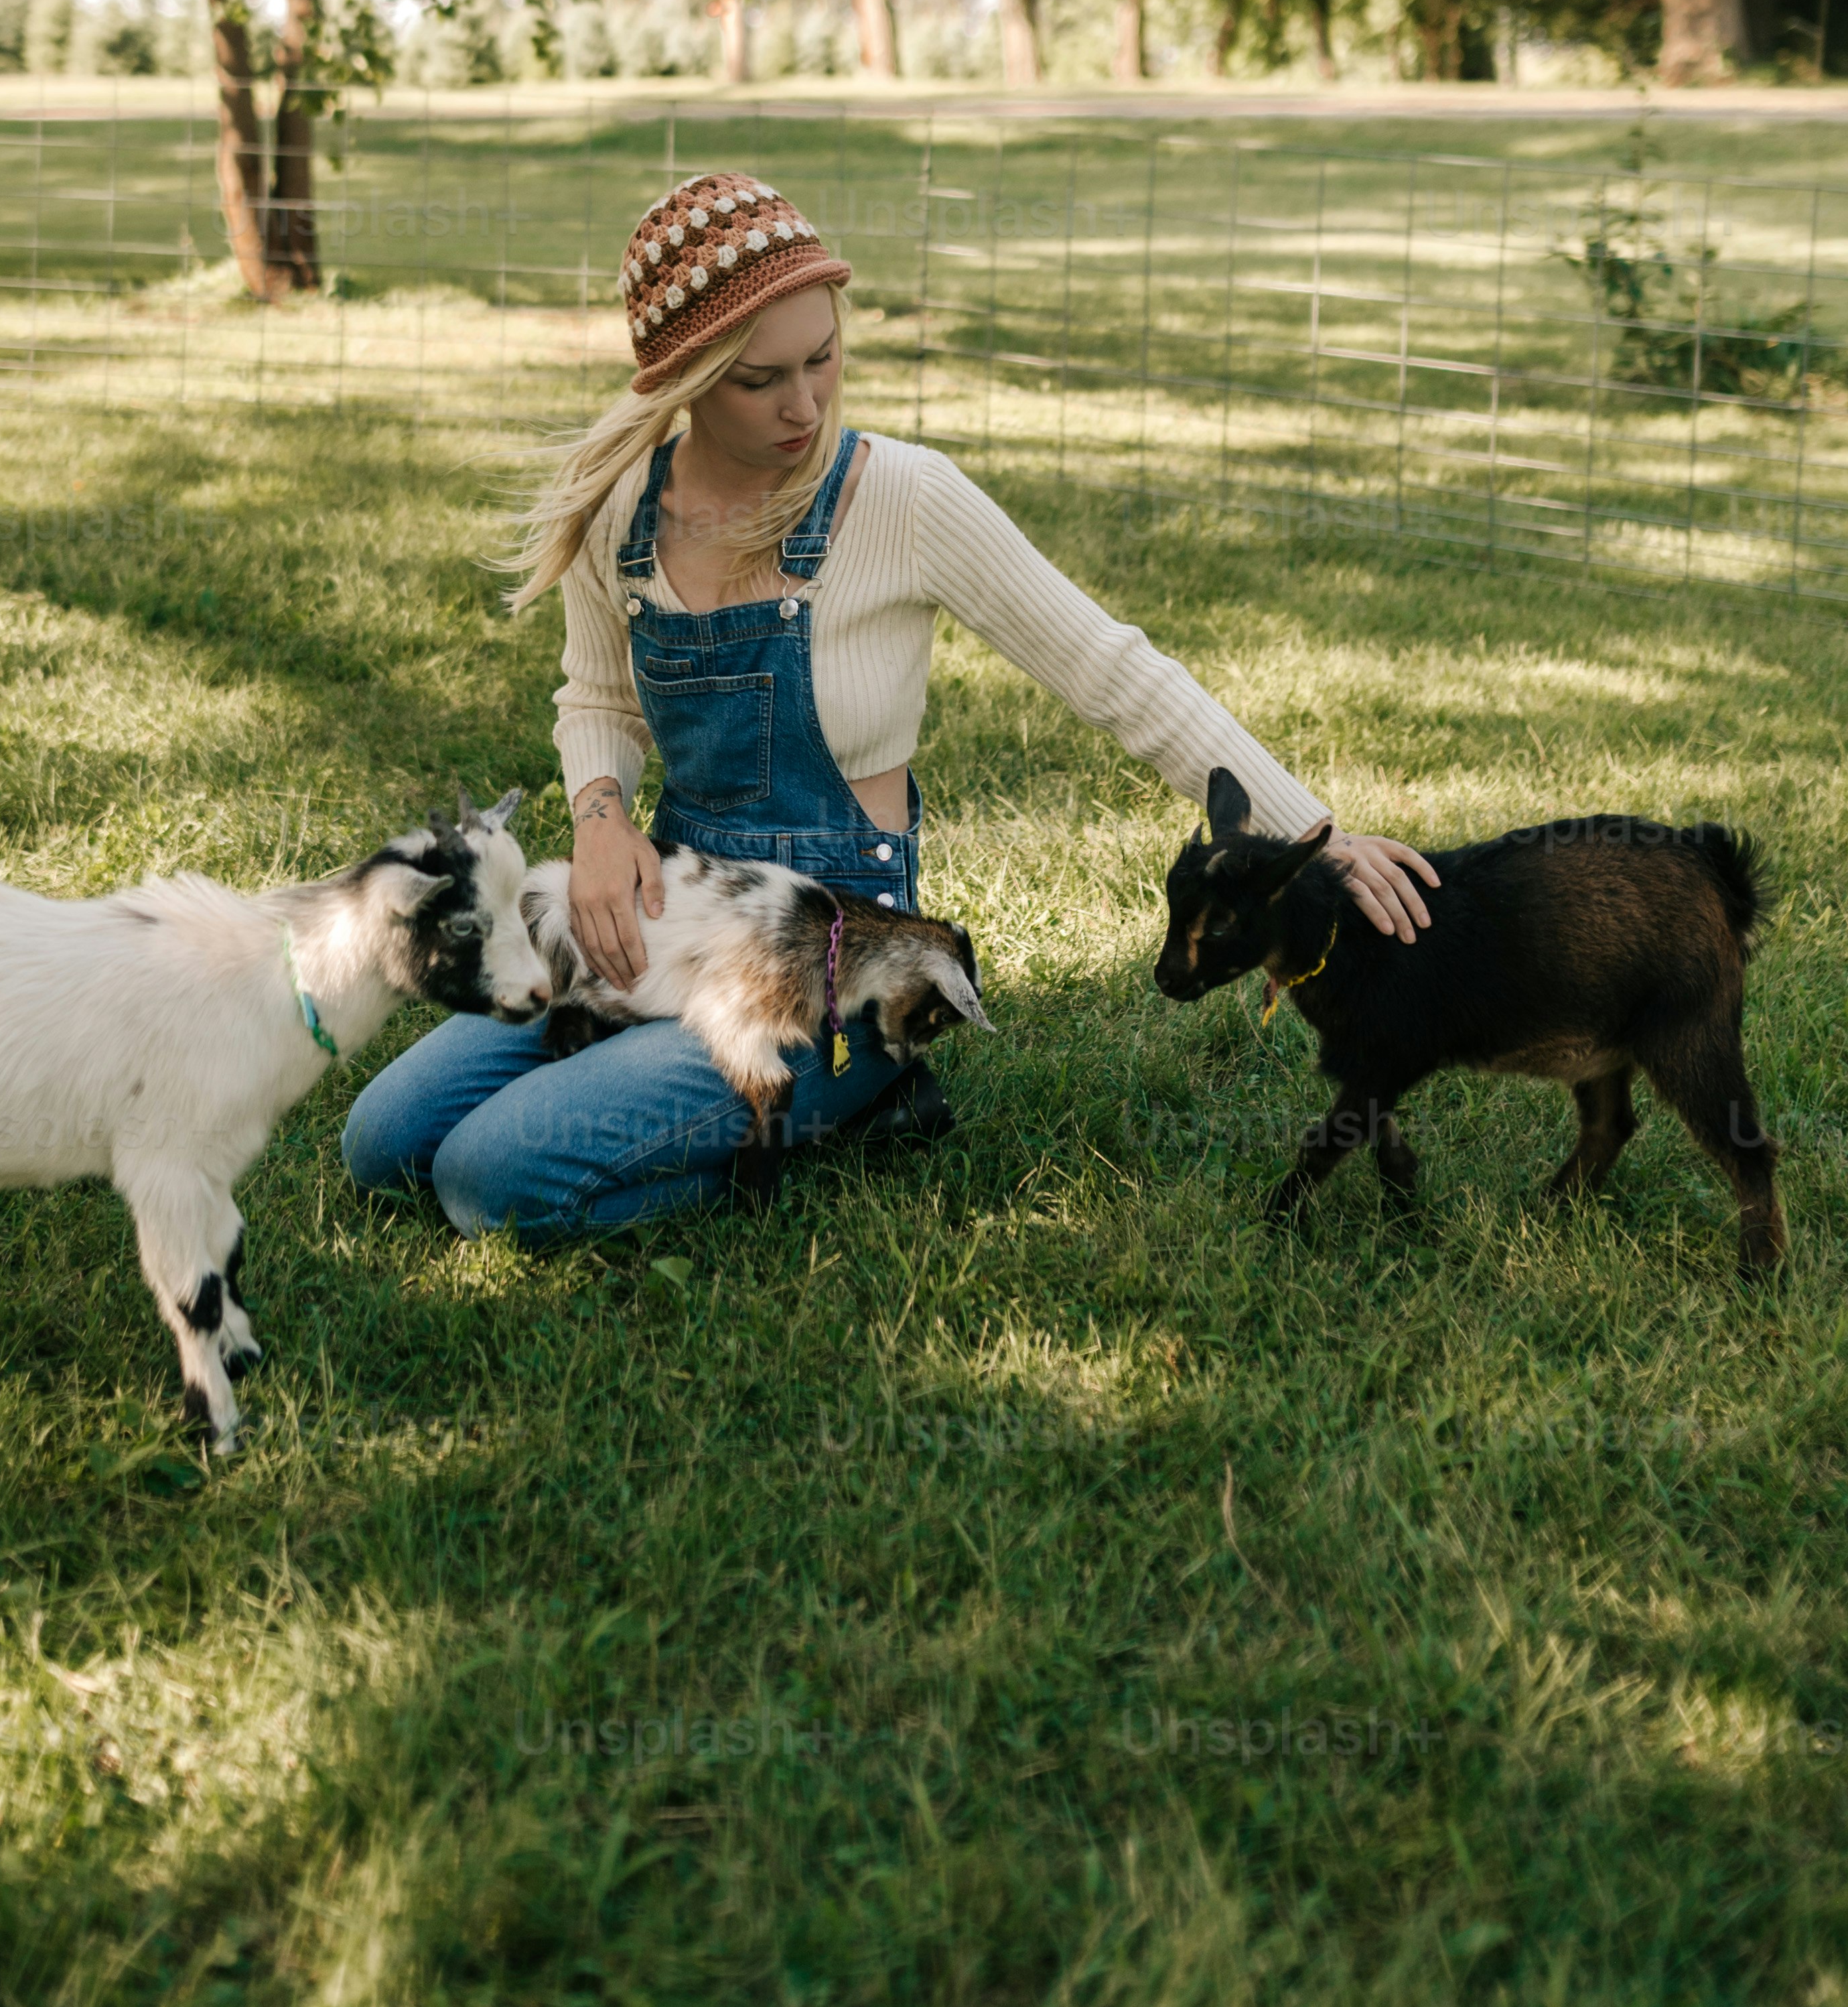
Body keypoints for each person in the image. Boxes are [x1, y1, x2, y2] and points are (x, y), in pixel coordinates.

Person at [342, 165, 1437, 1240]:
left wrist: (1306, 836)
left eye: (823, 360)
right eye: (760, 379)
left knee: (488, 1180)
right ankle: (735, 1094)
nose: (805, 404)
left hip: (837, 967)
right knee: (384, 1145)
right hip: (676, 919)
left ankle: (857, 1091)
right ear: (680, 379)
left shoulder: (905, 498)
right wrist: (599, 820)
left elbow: (1114, 671)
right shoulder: (627, 505)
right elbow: (599, 698)